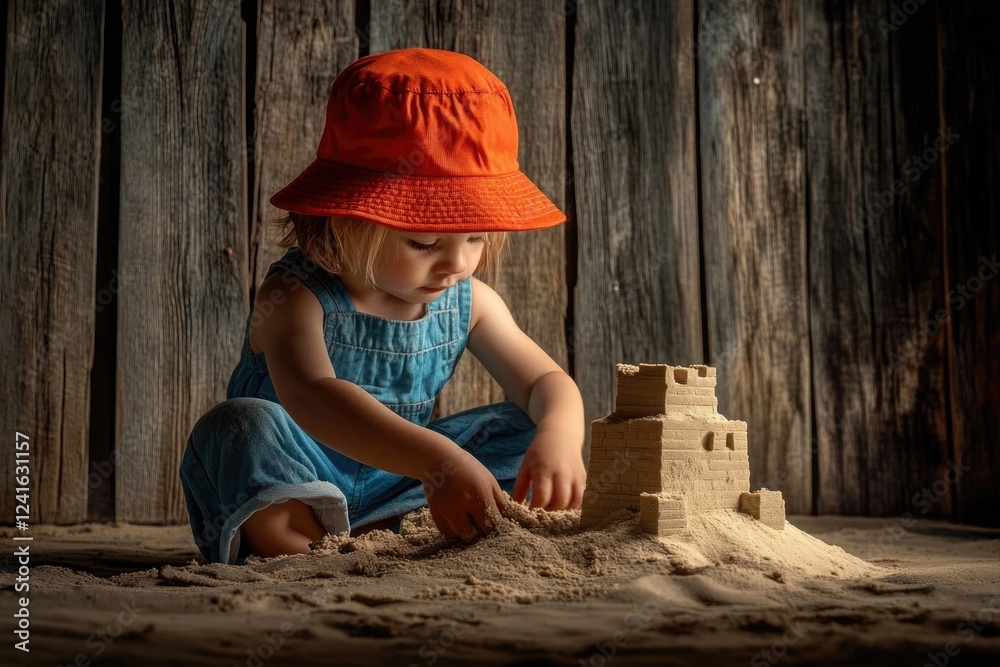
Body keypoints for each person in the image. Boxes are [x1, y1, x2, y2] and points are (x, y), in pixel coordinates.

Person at [179, 47, 586, 565]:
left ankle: (406, 528)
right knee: (238, 426)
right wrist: (437, 457)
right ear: (345, 221)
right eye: (423, 243)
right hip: (298, 475)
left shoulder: (473, 302)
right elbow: (314, 396)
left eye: (475, 239)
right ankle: (301, 548)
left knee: (521, 427)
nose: (454, 264)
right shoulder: (294, 298)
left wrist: (558, 435)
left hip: (406, 481)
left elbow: (542, 383)